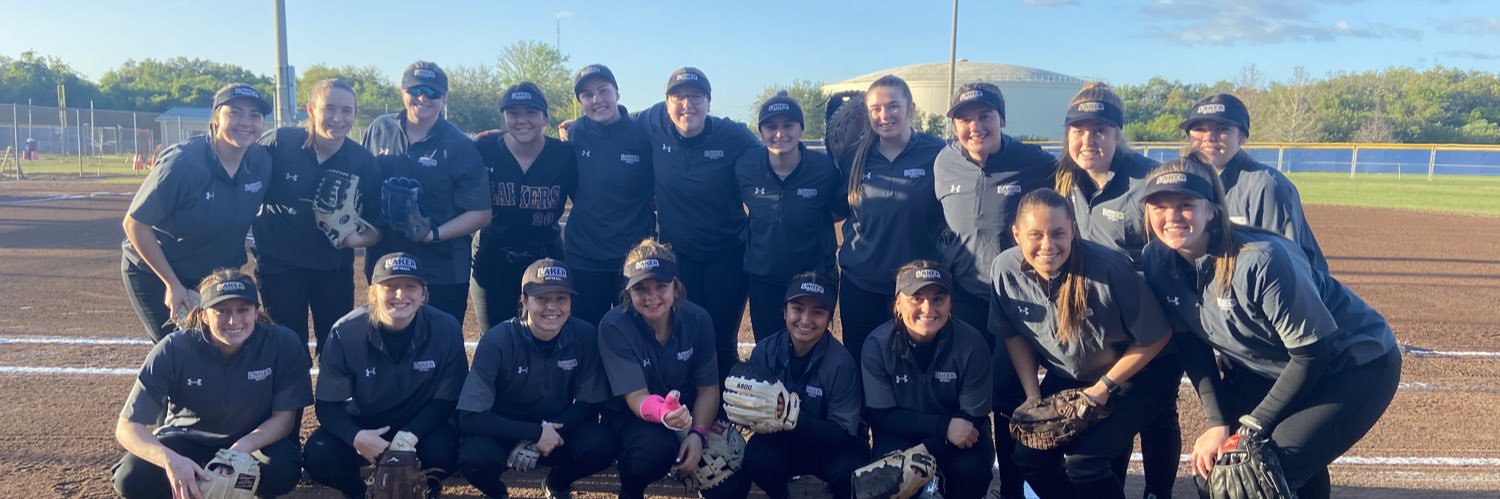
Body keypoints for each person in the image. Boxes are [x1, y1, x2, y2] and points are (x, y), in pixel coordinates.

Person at [1140, 158, 1401, 499]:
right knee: (1219, 474)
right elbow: (1191, 343)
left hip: (1352, 366)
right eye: (1159, 206)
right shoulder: (1157, 261)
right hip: (1277, 369)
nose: (1171, 217)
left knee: (1249, 475)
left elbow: (1313, 353)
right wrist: (1218, 423)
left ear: (1213, 210)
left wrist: (1252, 427)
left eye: (1186, 204)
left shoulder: (1259, 260)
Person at [990, 189, 1179, 499]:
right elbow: (1013, 332)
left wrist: (1103, 388)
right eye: (1035, 235)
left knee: (1085, 461)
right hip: (1075, 372)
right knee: (1029, 457)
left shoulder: (1109, 267)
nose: (1047, 245)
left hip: (1141, 370)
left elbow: (1156, 336)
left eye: (1058, 233)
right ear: (1016, 235)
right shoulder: (1005, 269)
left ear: (1073, 231)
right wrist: (1033, 394)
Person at [1054, 83, 1180, 499]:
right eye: (1079, 130)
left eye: (1100, 131)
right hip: (1094, 325)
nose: (1088, 140)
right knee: (1110, 417)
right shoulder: (1061, 178)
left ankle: (1158, 493)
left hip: (1150, 322)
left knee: (1158, 415)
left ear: (1117, 134)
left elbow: (1174, 251)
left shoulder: (1148, 180)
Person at [933, 82, 1056, 499]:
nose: (975, 126)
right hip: (964, 297)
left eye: (985, 115)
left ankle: (1013, 488)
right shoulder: (944, 162)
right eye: (964, 119)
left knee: (1007, 395)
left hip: (1017, 300)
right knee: (960, 388)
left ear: (1001, 118)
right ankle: (960, 478)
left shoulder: (1034, 162)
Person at [111, 270, 312, 499]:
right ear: (204, 315)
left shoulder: (282, 343)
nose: (233, 321)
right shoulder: (173, 349)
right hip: (189, 440)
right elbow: (127, 427)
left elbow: (284, 419)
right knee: (130, 477)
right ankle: (190, 487)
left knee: (282, 470)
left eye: (243, 310)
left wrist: (235, 454)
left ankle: (235, 489)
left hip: (250, 445)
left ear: (256, 313)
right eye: (221, 311)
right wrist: (172, 461)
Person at [304, 253, 469, 499]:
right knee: (319, 454)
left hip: (420, 426)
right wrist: (356, 436)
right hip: (366, 423)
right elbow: (328, 405)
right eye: (390, 286)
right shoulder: (345, 332)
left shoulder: (446, 329)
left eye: (410, 286)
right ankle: (359, 490)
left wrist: (410, 435)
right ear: (373, 293)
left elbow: (448, 399)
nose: (400, 295)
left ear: (423, 294)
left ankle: (426, 485)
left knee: (450, 450)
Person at [122, 83, 273, 342]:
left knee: (223, 347)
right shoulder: (182, 163)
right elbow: (135, 225)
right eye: (234, 112)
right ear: (215, 117)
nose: (245, 122)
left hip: (213, 274)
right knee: (180, 352)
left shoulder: (261, 161)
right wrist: (172, 285)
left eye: (254, 115)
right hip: (158, 272)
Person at [457, 258, 617, 499]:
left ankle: (557, 482)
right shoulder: (497, 340)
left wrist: (545, 435)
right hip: (503, 431)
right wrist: (533, 433)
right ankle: (496, 493)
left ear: (571, 301)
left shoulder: (584, 335)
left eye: (561, 299)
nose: (552, 307)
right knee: (473, 457)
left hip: (556, 429)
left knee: (600, 444)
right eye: (542, 298)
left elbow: (588, 403)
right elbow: (470, 417)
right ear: (524, 300)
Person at [636, 67, 760, 378]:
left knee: (720, 339)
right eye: (678, 96)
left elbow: (772, 155)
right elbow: (614, 119)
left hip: (727, 255)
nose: (687, 104)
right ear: (666, 102)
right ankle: (686, 408)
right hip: (680, 256)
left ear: (708, 101)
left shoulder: (731, 134)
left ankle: (722, 414)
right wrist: (580, 125)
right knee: (683, 334)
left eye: (696, 97)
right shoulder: (652, 122)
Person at [253, 78, 381, 354]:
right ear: (311, 110)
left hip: (332, 269)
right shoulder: (281, 143)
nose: (338, 118)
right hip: (280, 267)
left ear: (355, 115)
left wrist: (355, 239)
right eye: (329, 108)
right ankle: (290, 399)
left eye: (346, 110)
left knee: (336, 346)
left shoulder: (362, 161)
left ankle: (331, 400)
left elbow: (377, 226)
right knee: (287, 346)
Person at [362, 60, 491, 322]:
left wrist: (433, 234)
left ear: (444, 98)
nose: (423, 97)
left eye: (433, 92)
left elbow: (480, 213)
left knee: (440, 347)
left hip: (441, 270)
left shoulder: (458, 145)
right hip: (385, 264)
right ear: (402, 92)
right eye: (416, 89)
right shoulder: (379, 129)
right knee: (386, 343)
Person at [596, 239, 721, 499]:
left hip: (685, 417)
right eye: (641, 288)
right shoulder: (614, 326)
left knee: (731, 485)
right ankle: (631, 491)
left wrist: (697, 434)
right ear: (628, 292)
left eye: (661, 286)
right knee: (653, 450)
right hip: (632, 419)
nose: (651, 297)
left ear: (675, 286)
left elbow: (708, 389)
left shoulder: (699, 320)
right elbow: (636, 398)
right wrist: (665, 413)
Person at [838, 75, 946, 370]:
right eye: (876, 109)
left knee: (914, 366)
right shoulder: (852, 159)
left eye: (893, 106)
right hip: (862, 282)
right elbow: (835, 210)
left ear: (911, 109)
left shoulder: (938, 154)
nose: (884, 115)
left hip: (917, 287)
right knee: (860, 362)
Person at [861, 261, 994, 499]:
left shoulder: (972, 343)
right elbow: (882, 417)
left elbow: (973, 414)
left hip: (962, 432)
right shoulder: (877, 345)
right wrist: (940, 430)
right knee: (888, 478)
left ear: (951, 302)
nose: (928, 308)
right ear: (898, 304)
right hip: (903, 432)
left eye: (938, 299)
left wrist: (933, 445)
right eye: (916, 298)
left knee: (970, 471)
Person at [733, 272, 868, 499]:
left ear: (829, 319)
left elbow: (843, 432)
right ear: (785, 311)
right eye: (798, 308)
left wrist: (791, 416)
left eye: (817, 312)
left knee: (848, 470)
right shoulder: (765, 351)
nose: (805, 320)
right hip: (784, 443)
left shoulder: (841, 362)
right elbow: (753, 419)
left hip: (831, 447)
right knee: (756, 457)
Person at [470, 82, 578, 331]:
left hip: (545, 258)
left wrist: (583, 128)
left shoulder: (564, 155)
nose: (522, 120)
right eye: (513, 113)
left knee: (547, 333)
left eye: (531, 112)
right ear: (504, 118)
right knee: (496, 336)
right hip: (493, 257)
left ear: (545, 118)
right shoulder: (483, 149)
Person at [1178, 93, 1326, 272]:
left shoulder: (1266, 186)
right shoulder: (1190, 182)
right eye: (1200, 129)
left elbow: (1285, 265)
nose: (1209, 137)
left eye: (1223, 129)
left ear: (1242, 138)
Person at [736, 92, 841, 341]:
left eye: (788, 125)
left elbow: (840, 210)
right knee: (768, 349)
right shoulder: (745, 167)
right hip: (764, 278)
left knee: (809, 347)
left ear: (801, 129)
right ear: (760, 131)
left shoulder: (825, 168)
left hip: (811, 277)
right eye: (771, 126)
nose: (780, 133)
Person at [560, 64, 657, 326]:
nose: (596, 100)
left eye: (603, 91)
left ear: (617, 93)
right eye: (587, 95)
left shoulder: (644, 134)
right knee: (587, 332)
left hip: (633, 256)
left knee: (637, 330)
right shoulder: (575, 132)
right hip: (585, 255)